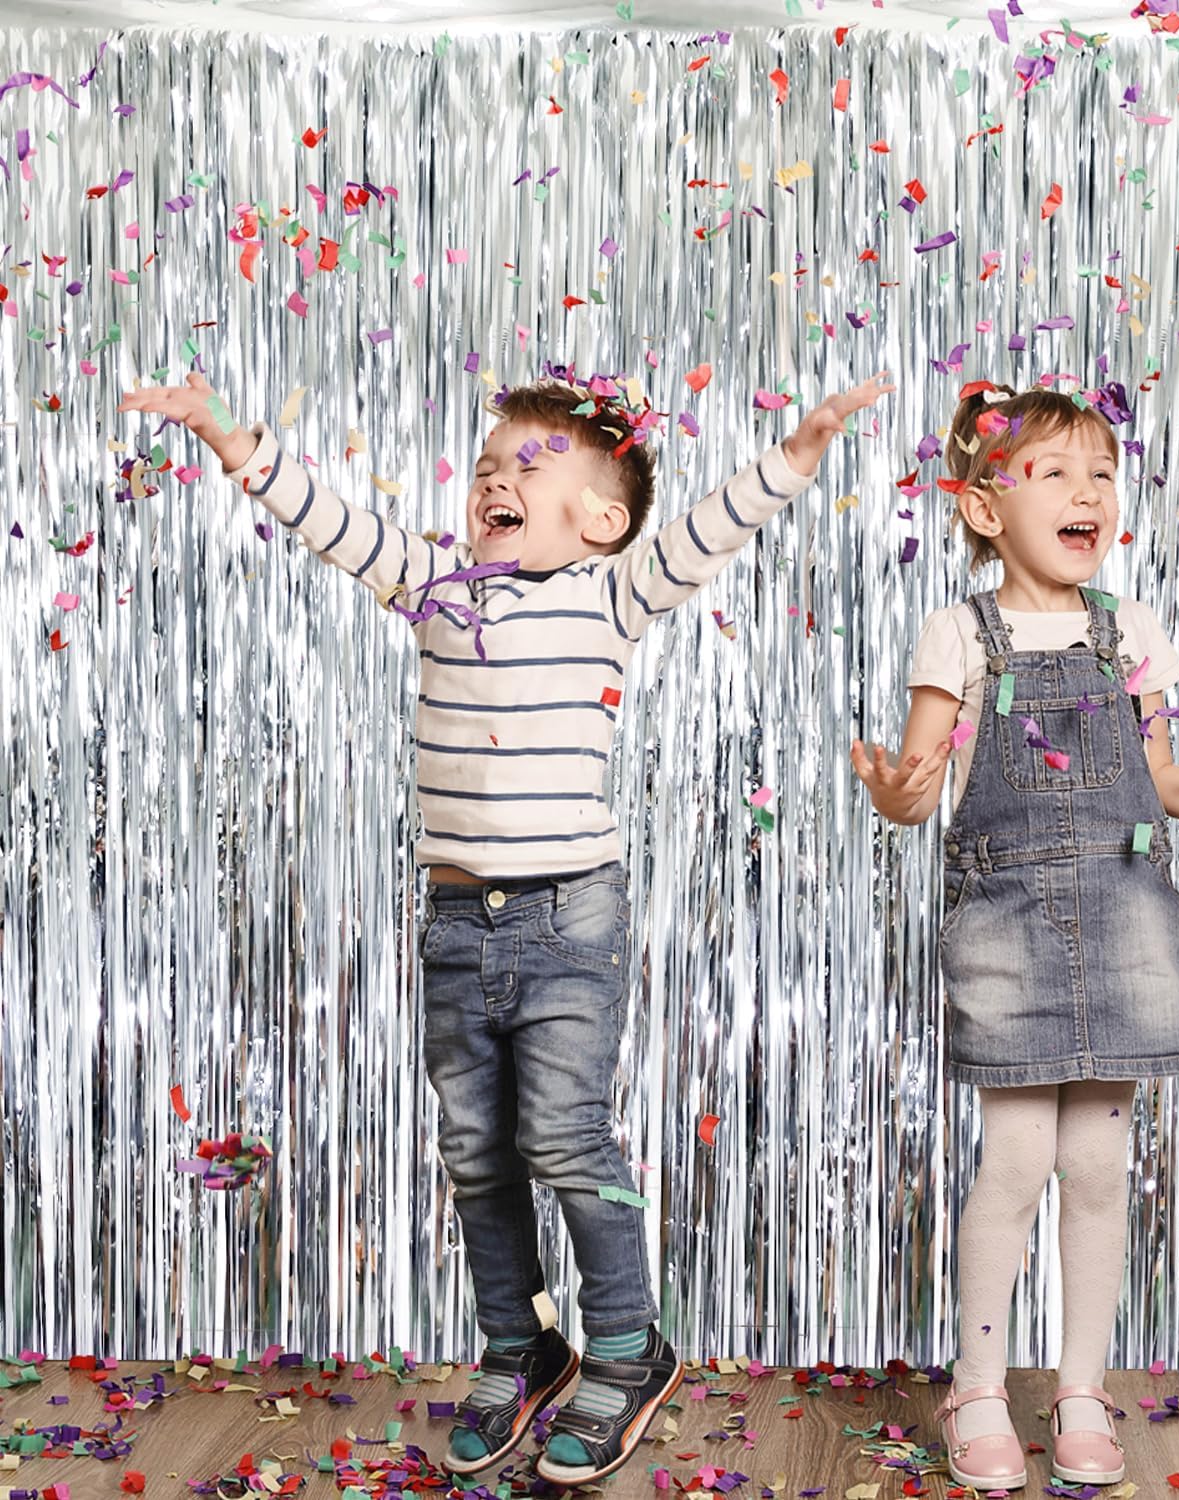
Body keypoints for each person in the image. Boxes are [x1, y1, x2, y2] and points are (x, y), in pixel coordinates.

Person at [119, 365, 894, 1487]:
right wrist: (227, 435)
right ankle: (521, 1343)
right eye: (486, 466)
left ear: (601, 520)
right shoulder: (437, 587)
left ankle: (625, 1347)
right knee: (477, 1154)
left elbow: (704, 533)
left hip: (569, 915)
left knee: (565, 1139)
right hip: (454, 920)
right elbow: (329, 519)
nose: (494, 479)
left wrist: (800, 450)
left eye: (527, 466)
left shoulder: (612, 594)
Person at [851, 381, 1179, 1489]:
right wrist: (895, 794)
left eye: (1102, 474)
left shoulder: (1131, 629)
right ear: (983, 507)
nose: (1088, 493)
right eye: (1056, 473)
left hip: (1124, 915)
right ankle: (977, 1392)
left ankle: (1079, 1389)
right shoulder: (958, 632)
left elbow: (1158, 778)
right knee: (1018, 1159)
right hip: (1009, 924)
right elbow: (920, 786)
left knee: (1101, 1165)